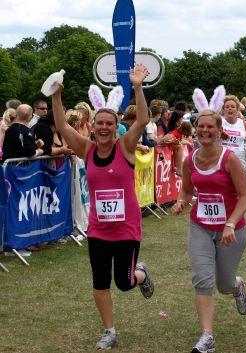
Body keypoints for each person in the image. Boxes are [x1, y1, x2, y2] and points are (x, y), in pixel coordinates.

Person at [52, 64, 154, 350]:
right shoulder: (87, 149)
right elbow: (61, 126)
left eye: (110, 123)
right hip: (97, 229)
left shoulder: (125, 147)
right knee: (100, 281)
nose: (105, 127)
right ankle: (109, 330)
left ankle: (141, 273)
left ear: (116, 125)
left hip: (126, 230)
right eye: (100, 123)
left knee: (124, 282)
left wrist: (137, 86)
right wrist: (56, 96)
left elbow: (143, 120)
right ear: (94, 126)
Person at [171, 100, 246, 353]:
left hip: (231, 231)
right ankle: (207, 336)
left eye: (210, 127)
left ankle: (238, 287)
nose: (205, 130)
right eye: (200, 126)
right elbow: (186, 190)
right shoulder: (190, 159)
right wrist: (181, 201)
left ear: (219, 131)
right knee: (202, 279)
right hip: (200, 227)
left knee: (224, 285)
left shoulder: (229, 159)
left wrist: (230, 223)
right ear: (195, 129)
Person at [221, 95, 246, 168]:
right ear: (223, 109)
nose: (230, 109)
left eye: (233, 107)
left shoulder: (244, 124)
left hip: (239, 163)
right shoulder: (218, 123)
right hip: (221, 162)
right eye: (227, 107)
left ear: (237, 109)